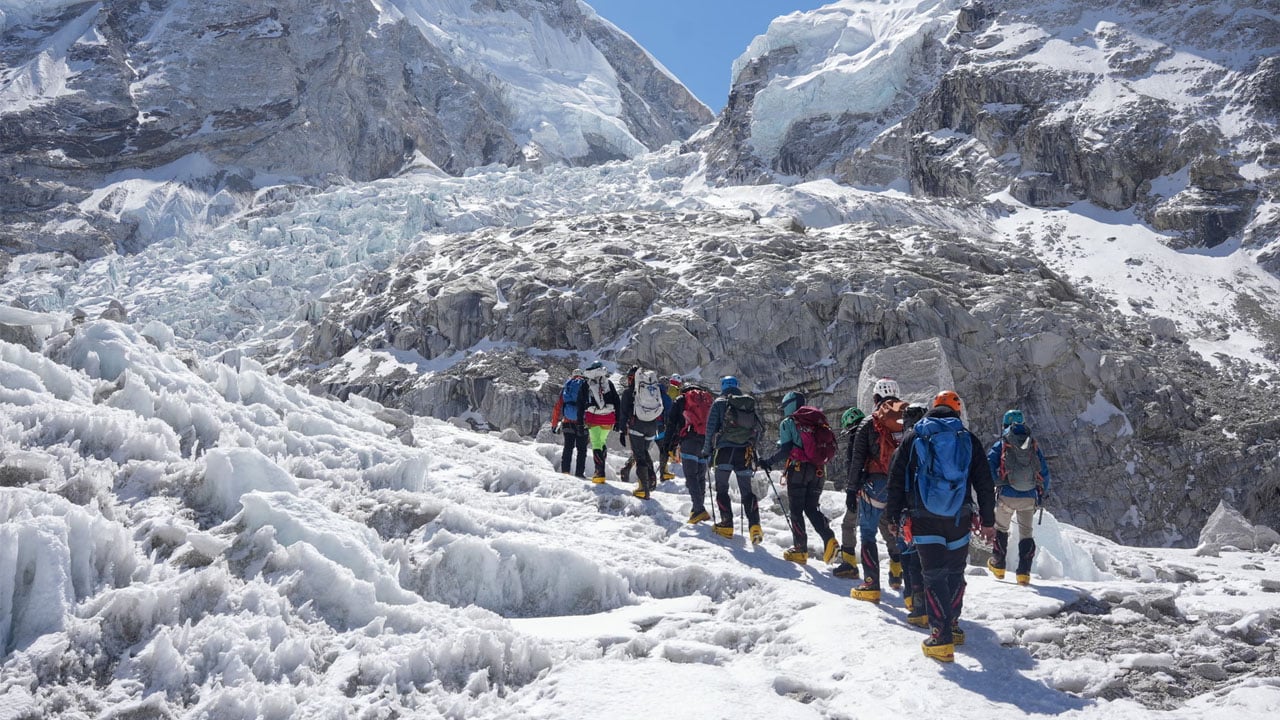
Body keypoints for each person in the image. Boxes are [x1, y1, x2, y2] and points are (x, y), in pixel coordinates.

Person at [885, 390, 996, 662]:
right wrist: (989, 522)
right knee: (955, 571)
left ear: (933, 409)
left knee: (933, 575)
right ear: (956, 412)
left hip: (924, 518)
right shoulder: (967, 438)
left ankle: (940, 637)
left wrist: (892, 517)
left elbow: (896, 478)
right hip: (959, 517)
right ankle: (954, 626)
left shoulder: (915, 436)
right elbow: (983, 481)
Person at [760, 391, 838, 565]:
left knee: (796, 511)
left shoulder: (789, 422)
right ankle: (829, 538)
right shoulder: (817, 423)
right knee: (811, 509)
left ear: (790, 405)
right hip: (818, 471)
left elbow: (786, 450)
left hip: (799, 470)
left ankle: (800, 549)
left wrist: (768, 462)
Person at [847, 378, 908, 602]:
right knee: (903, 535)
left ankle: (871, 584)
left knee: (868, 533)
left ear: (875, 398)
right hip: (904, 486)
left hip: (877, 484)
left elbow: (857, 460)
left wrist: (851, 490)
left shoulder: (868, 423)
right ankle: (911, 593)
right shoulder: (909, 419)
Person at [986, 409, 1052, 586]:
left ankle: (998, 566)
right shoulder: (1032, 444)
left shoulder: (1002, 444)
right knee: (1026, 534)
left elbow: (989, 466)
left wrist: (997, 482)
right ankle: (1023, 573)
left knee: (1001, 528)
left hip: (1007, 494)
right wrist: (1041, 492)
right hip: (1029, 496)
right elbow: (1044, 471)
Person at [700, 376, 763, 542]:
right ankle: (755, 526)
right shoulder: (747, 404)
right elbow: (757, 429)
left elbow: (710, 429)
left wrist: (706, 451)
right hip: (744, 453)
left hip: (725, 452)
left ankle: (726, 524)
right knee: (746, 491)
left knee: (722, 487)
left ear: (723, 387)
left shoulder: (719, 403)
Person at [895, 402, 929, 628]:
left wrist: (892, 513)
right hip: (937, 507)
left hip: (910, 508)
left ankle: (917, 605)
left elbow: (895, 481)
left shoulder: (905, 445)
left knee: (910, 555)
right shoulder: (933, 441)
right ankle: (939, 608)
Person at [665, 379, 714, 523]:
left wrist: (668, 444)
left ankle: (699, 510)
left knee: (691, 476)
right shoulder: (707, 400)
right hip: (705, 442)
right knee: (700, 477)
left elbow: (672, 422)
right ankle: (698, 508)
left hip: (689, 441)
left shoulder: (682, 399)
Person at [618, 367, 666, 499]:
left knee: (639, 456)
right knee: (644, 452)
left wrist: (622, 431)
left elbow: (623, 413)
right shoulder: (651, 390)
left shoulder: (629, 393)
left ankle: (643, 489)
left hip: (636, 426)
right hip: (652, 425)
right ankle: (650, 479)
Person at [833, 406, 867, 578]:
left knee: (848, 524)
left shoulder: (856, 438)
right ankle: (896, 571)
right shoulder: (874, 432)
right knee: (885, 527)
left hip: (861, 488)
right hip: (881, 487)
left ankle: (849, 563)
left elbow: (854, 465)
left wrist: (851, 490)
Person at [581, 361, 621, 484]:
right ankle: (600, 470)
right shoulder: (608, 383)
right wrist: (618, 420)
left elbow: (580, 403)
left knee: (596, 443)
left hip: (593, 418)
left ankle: (599, 473)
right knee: (602, 441)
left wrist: (579, 420)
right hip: (608, 419)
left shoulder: (587, 383)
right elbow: (617, 401)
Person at [550, 368, 589, 477]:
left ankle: (565, 472)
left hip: (568, 422)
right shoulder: (586, 386)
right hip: (583, 423)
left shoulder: (567, 387)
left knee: (568, 448)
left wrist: (554, 424)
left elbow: (558, 407)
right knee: (582, 450)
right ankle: (579, 473)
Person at [655, 375, 680, 481]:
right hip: (660, 427)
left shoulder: (651, 394)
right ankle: (663, 473)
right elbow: (669, 414)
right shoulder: (666, 397)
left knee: (643, 449)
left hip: (647, 425)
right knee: (663, 449)